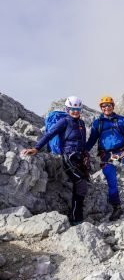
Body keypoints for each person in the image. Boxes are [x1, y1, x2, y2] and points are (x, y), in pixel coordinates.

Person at [21, 96, 89, 226]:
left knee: (82, 185)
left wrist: (85, 154)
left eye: (77, 109)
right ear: (67, 109)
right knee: (80, 183)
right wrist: (36, 148)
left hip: (79, 158)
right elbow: (49, 134)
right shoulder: (64, 121)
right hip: (68, 158)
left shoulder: (81, 124)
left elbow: (82, 141)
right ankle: (76, 219)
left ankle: (76, 216)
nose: (75, 111)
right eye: (72, 109)